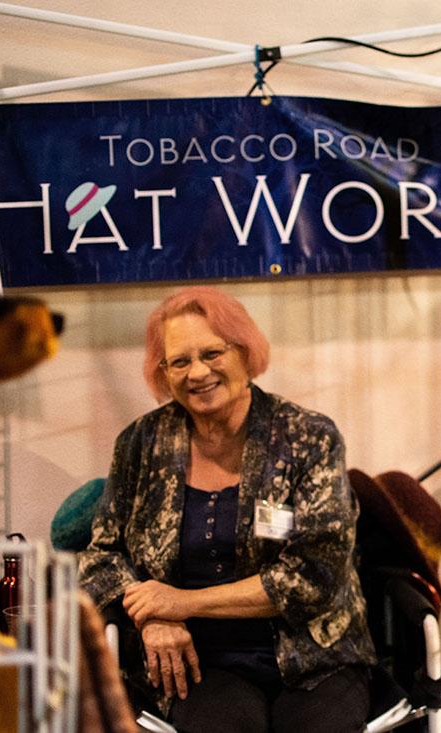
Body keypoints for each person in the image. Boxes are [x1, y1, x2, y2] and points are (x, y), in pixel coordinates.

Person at [78, 286, 375, 733]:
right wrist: (154, 617)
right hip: (200, 663)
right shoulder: (141, 444)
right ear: (163, 372)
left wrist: (181, 602)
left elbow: (315, 576)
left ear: (244, 351)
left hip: (316, 659)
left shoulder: (309, 437)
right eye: (179, 361)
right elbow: (100, 558)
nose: (198, 372)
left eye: (212, 353)